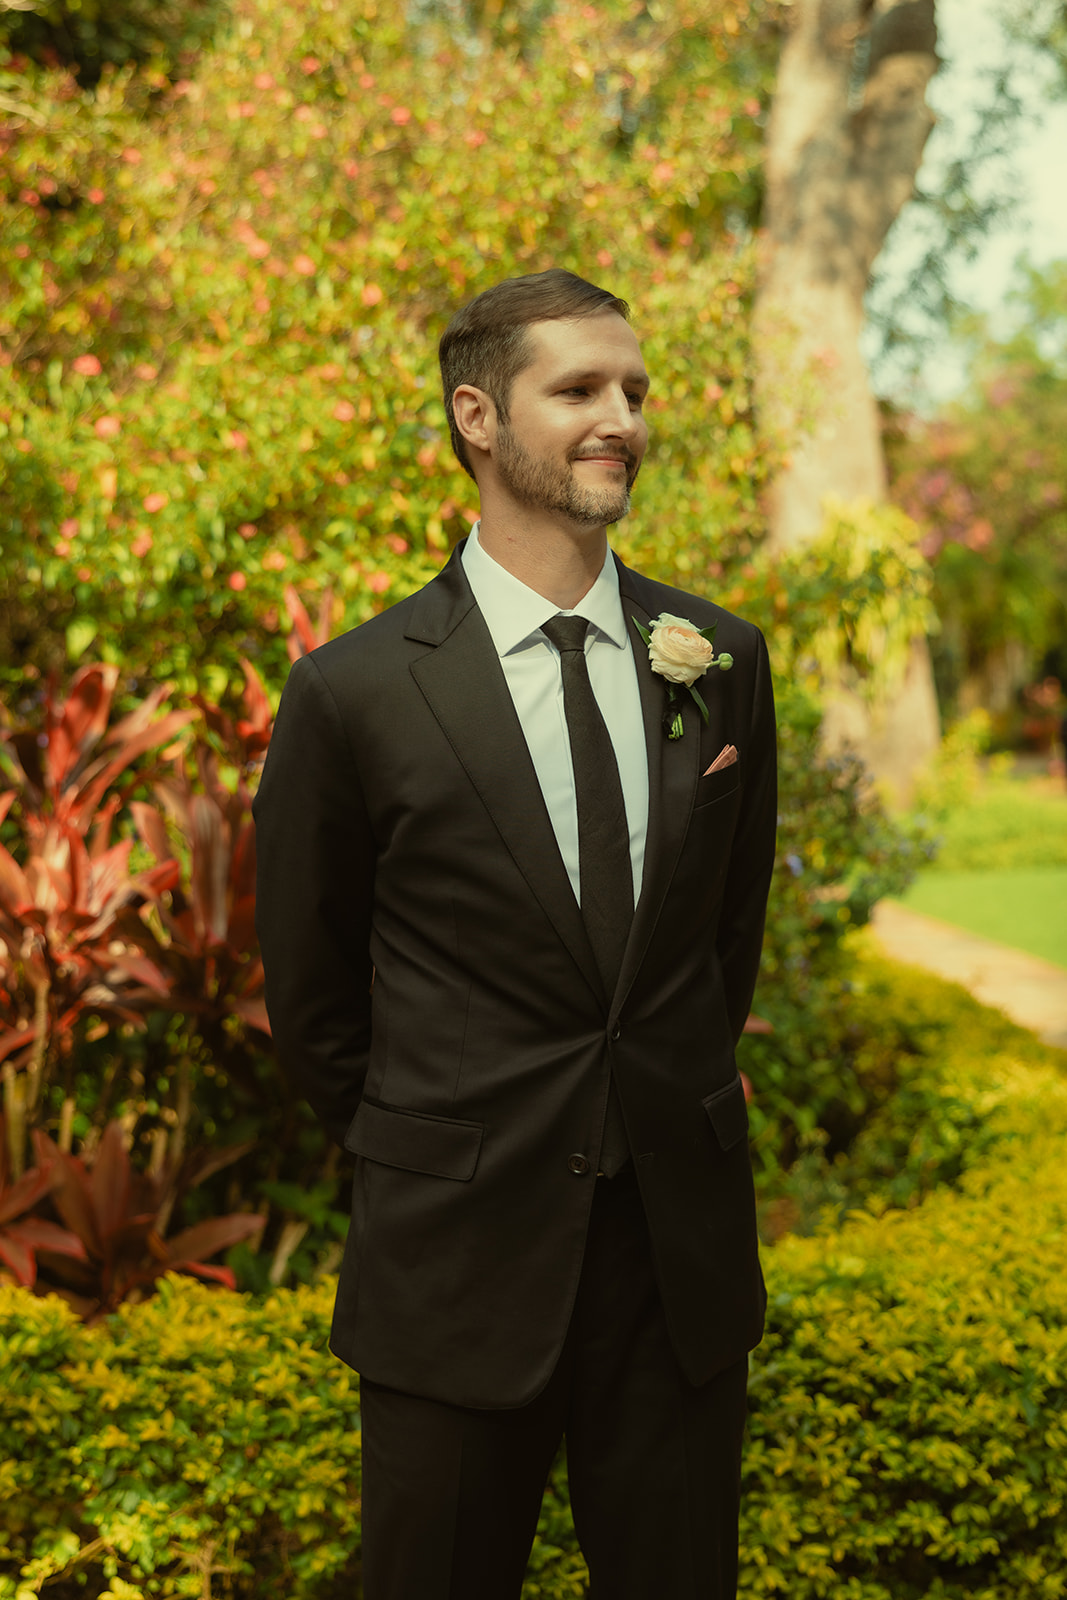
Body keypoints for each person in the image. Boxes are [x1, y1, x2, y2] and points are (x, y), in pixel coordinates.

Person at [253, 268, 777, 1600]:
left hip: (678, 1275)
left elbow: (724, 945)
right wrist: (442, 1144)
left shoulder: (718, 660)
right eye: (582, 390)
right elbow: (314, 1000)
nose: (624, 420)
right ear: (478, 415)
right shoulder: (353, 691)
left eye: (636, 392)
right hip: (455, 1272)